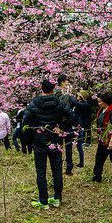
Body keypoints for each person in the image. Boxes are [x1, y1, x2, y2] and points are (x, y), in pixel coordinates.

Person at [23, 79, 76, 209]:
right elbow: (72, 117)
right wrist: (61, 128)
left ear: (41, 87)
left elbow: (25, 123)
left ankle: (43, 201)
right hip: (55, 141)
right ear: (53, 89)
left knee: (41, 172)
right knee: (57, 170)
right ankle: (57, 199)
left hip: (39, 142)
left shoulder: (33, 104)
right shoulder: (59, 103)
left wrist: (31, 141)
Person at [91, 92, 112, 183]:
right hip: (103, 138)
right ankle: (97, 176)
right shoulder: (101, 110)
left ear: (105, 102)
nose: (99, 104)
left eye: (100, 102)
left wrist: (111, 142)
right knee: (99, 158)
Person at [54, 74, 79, 175]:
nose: (68, 83)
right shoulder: (66, 95)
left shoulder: (55, 93)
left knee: (59, 146)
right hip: (66, 123)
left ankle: (58, 166)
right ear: (62, 83)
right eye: (67, 81)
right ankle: (69, 167)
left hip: (58, 124)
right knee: (68, 146)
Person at [74, 90, 92, 168]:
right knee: (78, 145)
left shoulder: (84, 104)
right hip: (77, 125)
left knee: (79, 146)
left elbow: (76, 104)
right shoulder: (79, 104)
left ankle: (81, 163)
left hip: (80, 126)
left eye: (78, 95)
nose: (77, 96)